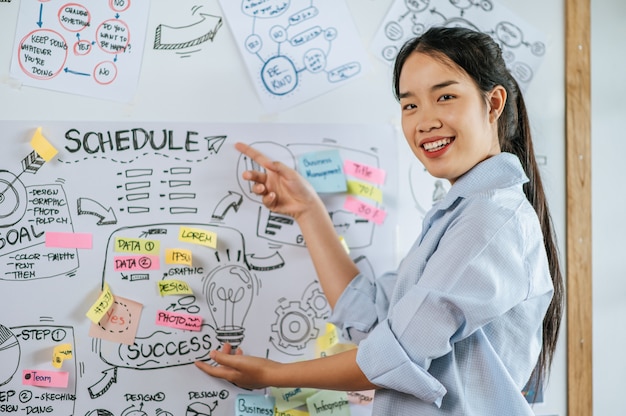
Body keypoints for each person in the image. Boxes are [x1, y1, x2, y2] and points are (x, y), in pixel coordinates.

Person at [195, 26, 564, 415]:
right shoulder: (460, 214)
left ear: (493, 104)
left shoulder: (489, 220)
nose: (425, 121)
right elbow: (372, 318)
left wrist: (275, 373)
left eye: (445, 97)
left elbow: (396, 352)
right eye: (410, 105)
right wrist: (308, 211)